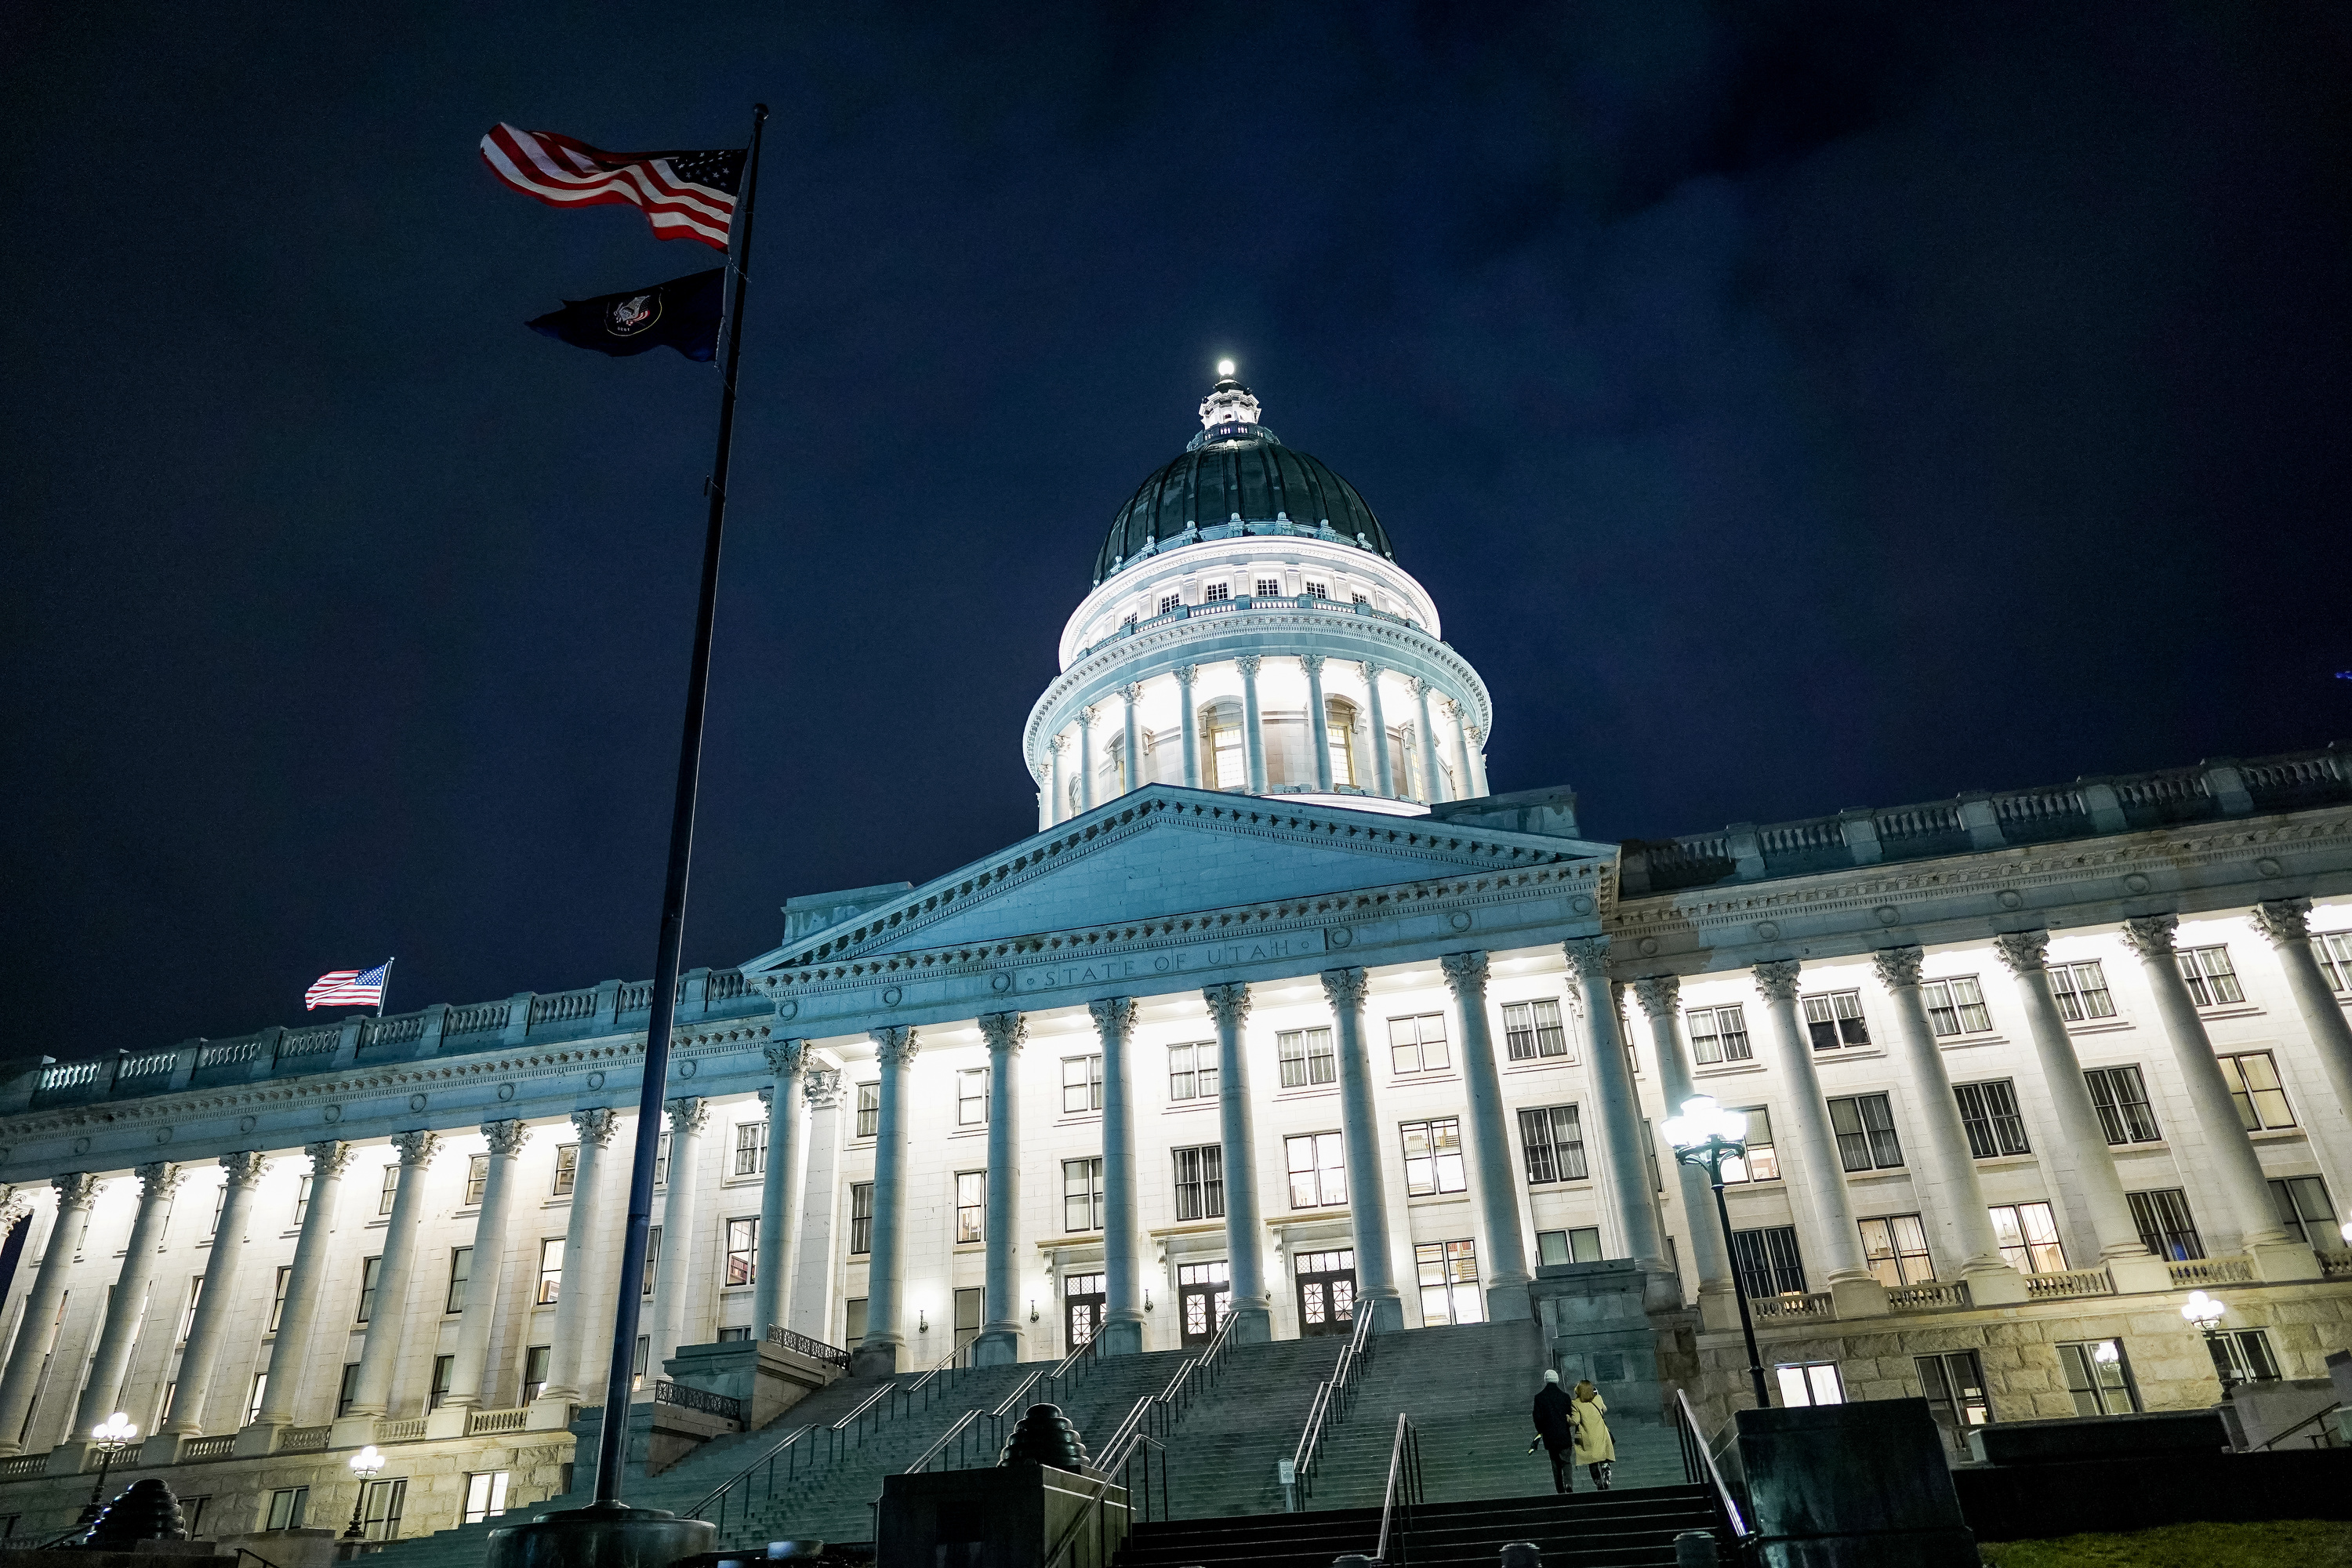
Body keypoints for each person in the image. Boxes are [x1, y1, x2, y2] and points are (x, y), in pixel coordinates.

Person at [1528, 1368, 1577, 1494]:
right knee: (1566, 1462)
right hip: (1564, 1435)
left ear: (1546, 1380)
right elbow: (1570, 1415)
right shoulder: (1565, 1397)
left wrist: (1541, 1430)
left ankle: (1560, 1490)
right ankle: (1568, 1484)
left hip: (1550, 1437)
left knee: (1555, 1465)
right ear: (1557, 1380)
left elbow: (1537, 1417)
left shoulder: (1539, 1397)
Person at [1571, 1379, 1615, 1490]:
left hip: (1587, 1436)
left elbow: (1575, 1421)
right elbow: (1604, 1410)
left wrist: (1567, 1417)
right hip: (1601, 1433)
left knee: (1592, 1462)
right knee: (1604, 1457)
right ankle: (1606, 1471)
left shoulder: (1576, 1404)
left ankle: (1599, 1483)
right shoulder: (1598, 1399)